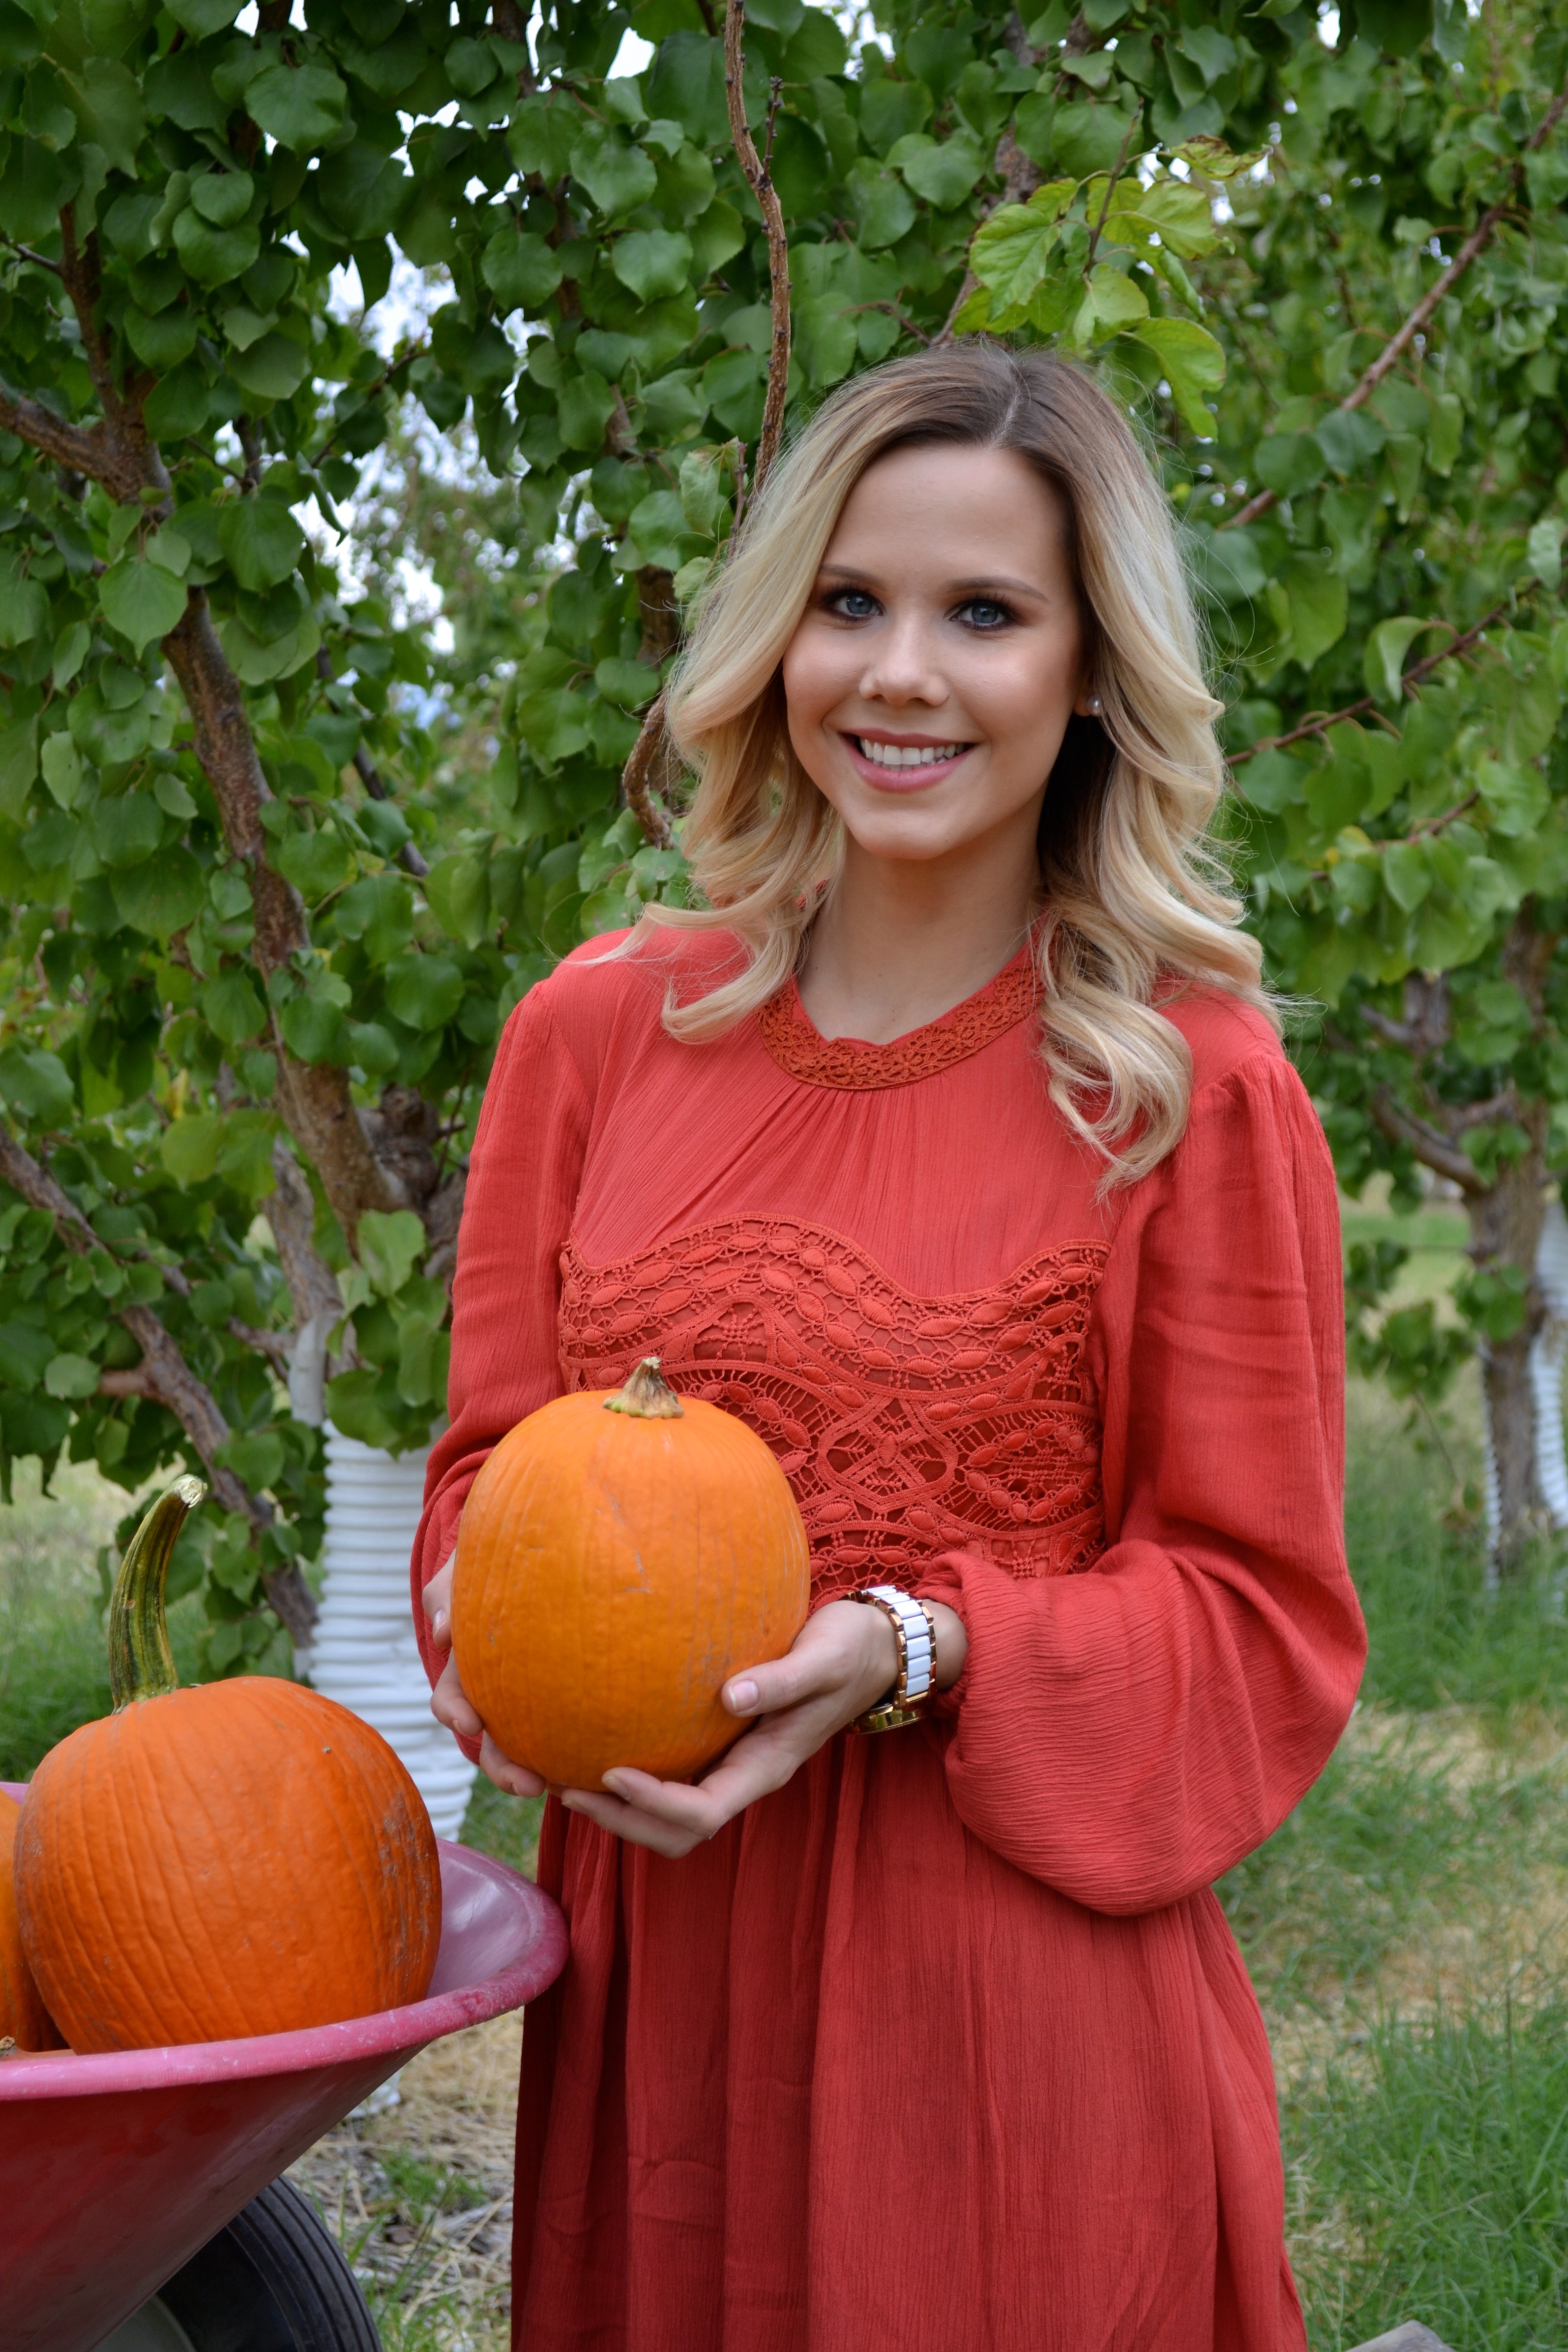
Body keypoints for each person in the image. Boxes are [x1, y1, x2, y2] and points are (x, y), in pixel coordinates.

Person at [412, 339, 1365, 2352]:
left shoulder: (1193, 1090)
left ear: (1096, 670)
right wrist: (500, 1658)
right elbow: (488, 1477)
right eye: (849, 602)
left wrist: (912, 1653)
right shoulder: (596, 1036)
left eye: (985, 614)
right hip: (665, 2000)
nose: (899, 674)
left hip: (1008, 2037)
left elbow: (1263, 1623)